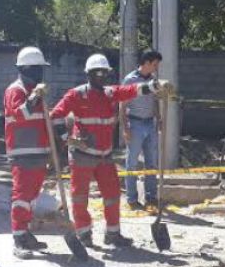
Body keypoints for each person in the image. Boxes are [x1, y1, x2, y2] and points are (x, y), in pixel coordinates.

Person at [50, 54, 173, 247]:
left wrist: (155, 86)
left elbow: (132, 90)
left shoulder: (110, 93)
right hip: (82, 156)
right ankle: (83, 234)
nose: (100, 76)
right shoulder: (76, 95)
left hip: (105, 155)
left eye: (104, 73)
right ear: (88, 75)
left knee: (112, 194)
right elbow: (55, 116)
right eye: (96, 73)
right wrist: (69, 140)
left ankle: (113, 234)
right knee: (80, 196)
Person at [3, 46, 54, 259]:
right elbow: (21, 114)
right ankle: (18, 238)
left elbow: (44, 122)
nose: (40, 73)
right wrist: (34, 97)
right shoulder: (15, 90)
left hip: (39, 151)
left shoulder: (36, 90)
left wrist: (52, 148)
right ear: (26, 69)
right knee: (22, 196)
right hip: (22, 152)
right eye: (37, 69)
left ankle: (26, 232)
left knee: (32, 196)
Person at [121, 50, 164, 210]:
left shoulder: (153, 80)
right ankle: (132, 199)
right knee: (131, 163)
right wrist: (125, 129)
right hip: (135, 123)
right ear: (146, 62)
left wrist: (158, 118)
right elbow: (122, 105)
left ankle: (151, 198)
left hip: (150, 124)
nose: (156, 67)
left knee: (151, 162)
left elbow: (155, 101)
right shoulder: (130, 80)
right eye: (155, 64)